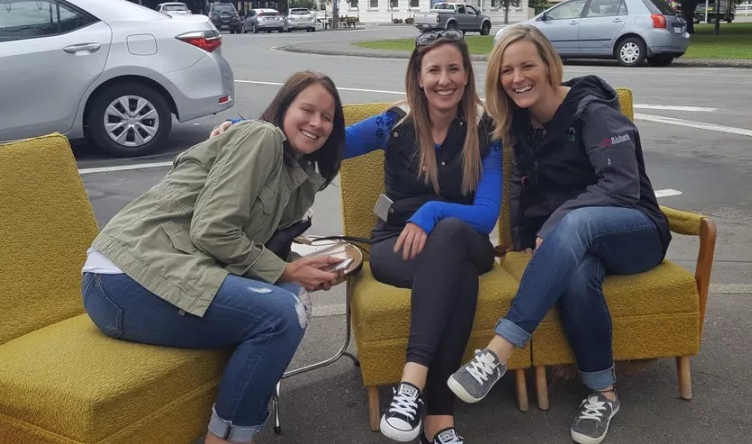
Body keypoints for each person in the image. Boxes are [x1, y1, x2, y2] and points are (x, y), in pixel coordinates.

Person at [212, 30, 503, 444]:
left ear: (466, 74)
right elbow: (319, 140)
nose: (444, 79)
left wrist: (432, 212)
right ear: (418, 77)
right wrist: (245, 126)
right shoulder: (395, 124)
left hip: (467, 239)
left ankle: (410, 384)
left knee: (451, 234)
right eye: (433, 70)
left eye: (453, 68)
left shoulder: (484, 129)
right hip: (396, 244)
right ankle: (440, 419)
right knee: (457, 280)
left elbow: (486, 214)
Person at [81, 71, 348, 444]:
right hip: (125, 276)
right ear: (283, 108)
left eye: (327, 117)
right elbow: (212, 230)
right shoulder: (262, 136)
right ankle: (224, 439)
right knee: (282, 315)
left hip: (155, 276)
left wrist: (299, 270)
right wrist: (286, 269)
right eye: (307, 109)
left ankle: (230, 430)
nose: (316, 123)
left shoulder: (293, 172)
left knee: (293, 299)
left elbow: (243, 242)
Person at [447, 25, 671, 444]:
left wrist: (554, 224)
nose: (517, 78)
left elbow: (621, 187)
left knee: (576, 223)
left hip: (635, 229)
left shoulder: (594, 112)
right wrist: (517, 238)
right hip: (575, 242)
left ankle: (498, 352)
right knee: (576, 276)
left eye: (528, 65)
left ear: (550, 66)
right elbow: (520, 182)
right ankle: (603, 392)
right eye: (507, 71)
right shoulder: (521, 121)